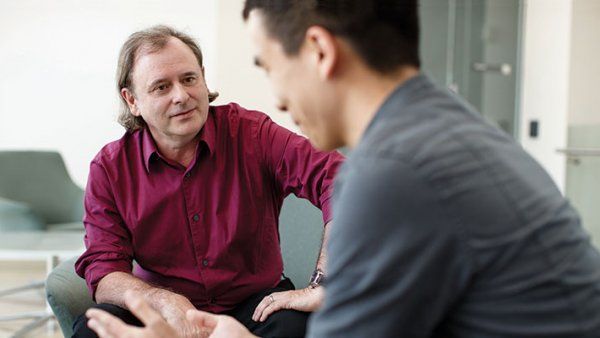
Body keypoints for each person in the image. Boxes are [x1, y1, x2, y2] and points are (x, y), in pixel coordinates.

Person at [86, 1, 600, 337]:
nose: (282, 99)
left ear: (319, 52)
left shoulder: (388, 174)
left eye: (269, 66)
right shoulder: (446, 130)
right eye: (161, 87)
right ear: (132, 101)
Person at [73, 25, 344, 338]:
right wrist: (160, 300)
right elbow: (104, 270)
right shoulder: (109, 168)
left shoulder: (253, 134)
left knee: (299, 328)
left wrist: (324, 282)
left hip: (255, 307)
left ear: (202, 78)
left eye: (189, 79)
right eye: (161, 87)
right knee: (92, 330)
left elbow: (344, 180)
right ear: (132, 99)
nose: (181, 96)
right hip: (163, 312)